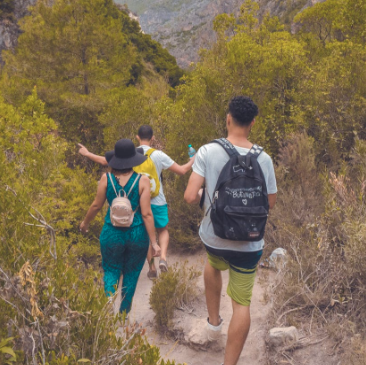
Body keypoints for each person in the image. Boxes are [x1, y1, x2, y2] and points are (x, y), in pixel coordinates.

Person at [184, 96, 278, 365]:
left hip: (216, 238)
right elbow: (269, 203)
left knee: (213, 264)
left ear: (228, 119)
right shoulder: (265, 159)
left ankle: (214, 324)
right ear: (252, 123)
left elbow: (190, 196)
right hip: (250, 244)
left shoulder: (207, 151)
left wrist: (206, 195)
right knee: (242, 304)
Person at [77, 125, 194, 278]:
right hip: (158, 200)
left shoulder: (131, 155)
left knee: (145, 233)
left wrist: (87, 153)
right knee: (163, 230)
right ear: (152, 138)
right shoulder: (159, 155)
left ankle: (152, 268)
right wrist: (193, 160)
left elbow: (105, 161)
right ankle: (163, 257)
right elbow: (182, 170)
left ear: (137, 137)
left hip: (137, 201)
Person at [79, 138, 161, 314]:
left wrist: (85, 223)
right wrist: (154, 243)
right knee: (131, 275)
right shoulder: (142, 181)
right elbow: (147, 214)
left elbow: (96, 205)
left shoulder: (106, 178)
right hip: (137, 235)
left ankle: (108, 302)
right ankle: (123, 318)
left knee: (111, 270)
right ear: (133, 160)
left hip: (111, 233)